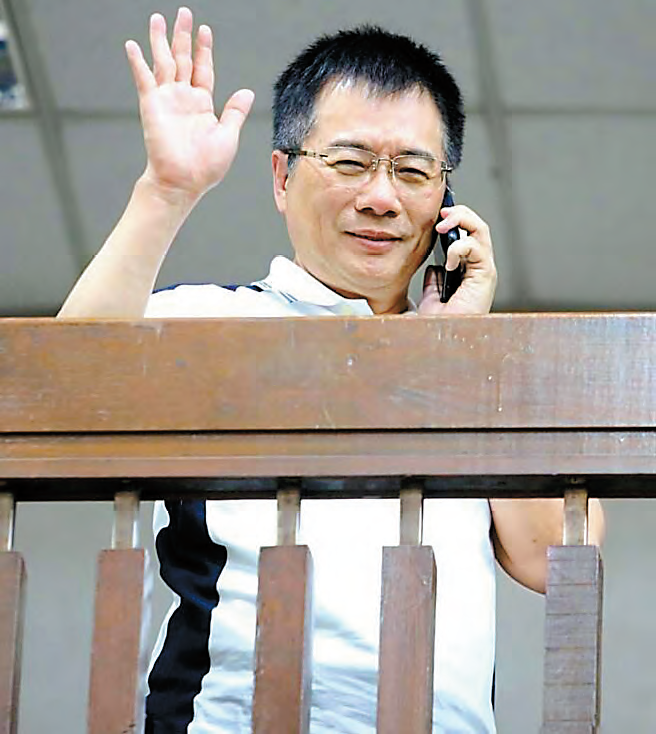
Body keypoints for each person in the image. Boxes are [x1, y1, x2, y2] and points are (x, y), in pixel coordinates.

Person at [59, 8, 604, 733]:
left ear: (445, 200)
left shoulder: (474, 373)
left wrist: (461, 350)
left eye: (414, 171)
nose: (381, 197)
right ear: (282, 177)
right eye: (349, 162)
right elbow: (61, 389)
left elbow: (556, 558)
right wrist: (166, 191)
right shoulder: (207, 323)